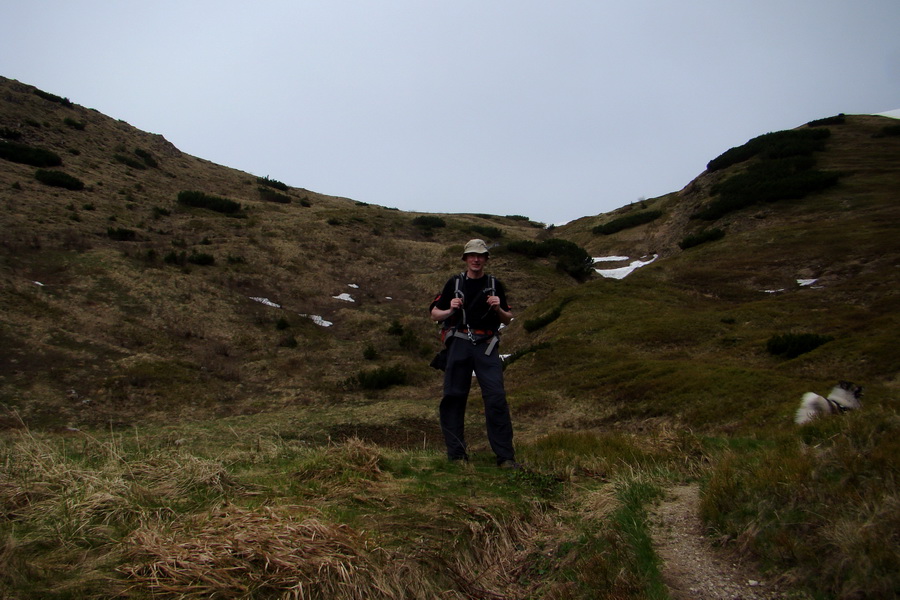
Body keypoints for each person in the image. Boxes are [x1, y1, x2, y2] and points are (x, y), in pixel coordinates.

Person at [429, 239, 519, 468]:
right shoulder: (454, 282)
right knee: (454, 397)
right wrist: (451, 309)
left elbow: (508, 320)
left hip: (487, 344)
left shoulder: (494, 284)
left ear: (486, 259)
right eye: (471, 255)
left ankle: (506, 457)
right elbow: (434, 314)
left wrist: (499, 308)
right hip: (459, 342)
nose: (476, 259)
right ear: (466, 258)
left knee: (496, 397)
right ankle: (457, 455)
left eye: (480, 256)